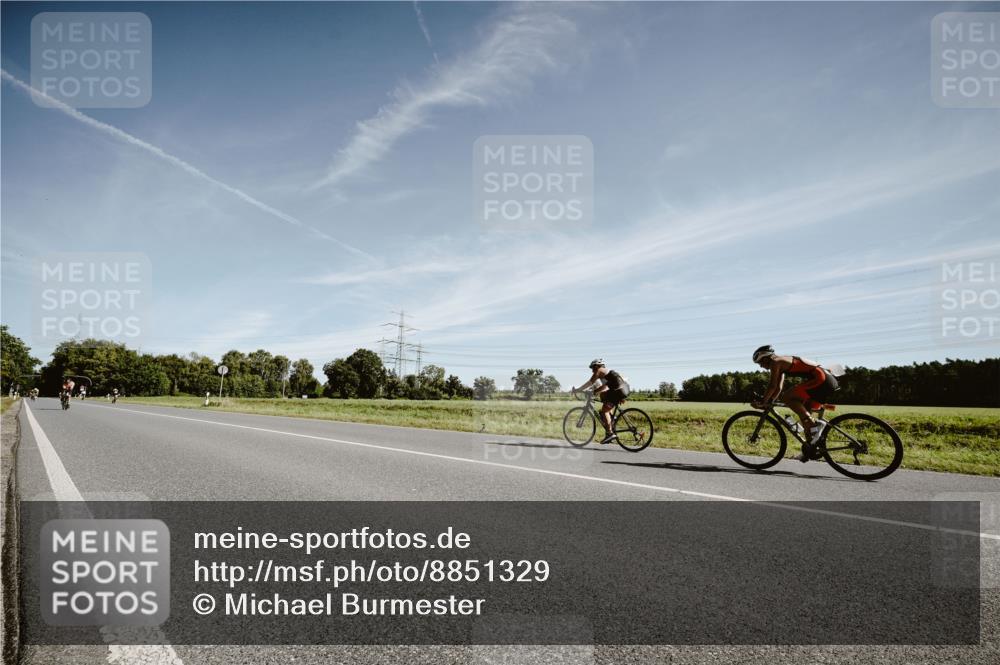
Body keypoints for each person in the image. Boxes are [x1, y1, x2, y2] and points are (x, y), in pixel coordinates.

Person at [750, 345, 839, 462]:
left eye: (760, 363)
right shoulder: (781, 363)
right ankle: (810, 450)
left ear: (765, 358)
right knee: (805, 418)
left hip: (820, 379)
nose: (761, 366)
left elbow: (772, 386)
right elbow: (778, 388)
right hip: (825, 380)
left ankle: (816, 425)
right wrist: (769, 401)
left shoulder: (776, 362)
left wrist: (763, 401)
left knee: (787, 397)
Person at [572, 359, 630, 444]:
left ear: (597, 366)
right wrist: (595, 392)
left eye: (592, 368)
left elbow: (590, 382)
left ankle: (610, 434)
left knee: (604, 411)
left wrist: (578, 390)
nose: (592, 370)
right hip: (623, 389)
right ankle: (611, 420)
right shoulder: (607, 373)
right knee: (603, 396)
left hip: (618, 390)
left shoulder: (599, 371)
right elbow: (604, 387)